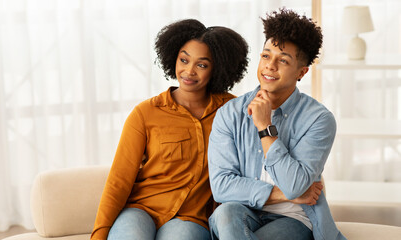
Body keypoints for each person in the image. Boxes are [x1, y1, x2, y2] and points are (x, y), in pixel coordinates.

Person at [90, 19, 249, 240]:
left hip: (192, 218)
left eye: (201, 65)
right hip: (141, 209)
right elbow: (119, 180)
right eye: (184, 60)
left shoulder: (233, 111)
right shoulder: (145, 113)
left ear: (218, 68)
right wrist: (99, 234)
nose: (188, 71)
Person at [207, 8, 346, 240]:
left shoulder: (319, 120)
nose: (270, 66)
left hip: (295, 217)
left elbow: (295, 185)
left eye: (283, 60)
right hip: (244, 211)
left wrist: (265, 127)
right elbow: (221, 186)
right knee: (225, 214)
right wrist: (284, 194)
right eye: (265, 56)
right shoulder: (230, 114)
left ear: (302, 72)